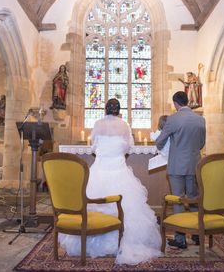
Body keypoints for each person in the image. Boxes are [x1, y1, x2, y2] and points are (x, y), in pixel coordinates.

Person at [59, 99, 161, 265]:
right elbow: (129, 147)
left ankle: (90, 239)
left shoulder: (98, 123)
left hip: (99, 169)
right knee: (127, 207)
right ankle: (121, 241)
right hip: (119, 169)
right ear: (118, 110)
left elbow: (93, 148)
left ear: (105, 109)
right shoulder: (124, 125)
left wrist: (104, 151)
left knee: (91, 204)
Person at [155, 91, 206, 249]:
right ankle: (197, 234)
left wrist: (164, 146)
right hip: (194, 165)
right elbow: (202, 143)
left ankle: (180, 238)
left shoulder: (173, 119)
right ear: (188, 102)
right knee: (193, 199)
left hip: (177, 166)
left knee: (178, 200)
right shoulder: (200, 119)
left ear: (176, 103)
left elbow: (160, 141)